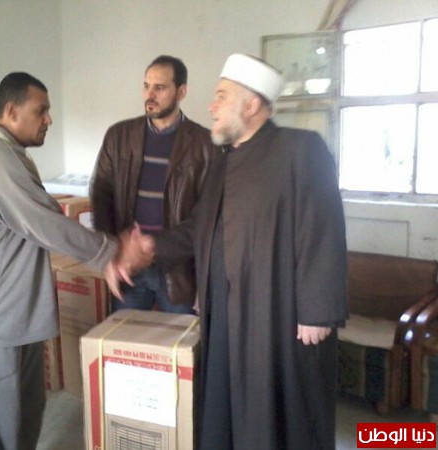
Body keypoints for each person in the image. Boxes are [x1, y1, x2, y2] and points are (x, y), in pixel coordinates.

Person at [128, 54, 349, 449]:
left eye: (221, 96)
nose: (211, 106)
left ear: (251, 104)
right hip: (225, 311)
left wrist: (317, 311)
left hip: (278, 313)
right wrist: (152, 246)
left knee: (280, 414)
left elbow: (323, 229)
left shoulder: (300, 149)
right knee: (226, 407)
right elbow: (199, 227)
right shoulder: (223, 161)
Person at [0, 72, 131, 450]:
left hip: (11, 319)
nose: (49, 119)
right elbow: (45, 223)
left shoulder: (12, 157)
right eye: (40, 110)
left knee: (22, 420)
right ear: (11, 111)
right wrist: (111, 253)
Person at [90, 55, 215, 314]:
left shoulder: (204, 144)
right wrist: (110, 251)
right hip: (128, 268)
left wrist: (153, 246)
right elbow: (101, 194)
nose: (150, 95)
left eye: (159, 88)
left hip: (178, 270)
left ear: (181, 92)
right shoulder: (119, 136)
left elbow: (206, 216)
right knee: (126, 337)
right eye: (146, 86)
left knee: (179, 338)